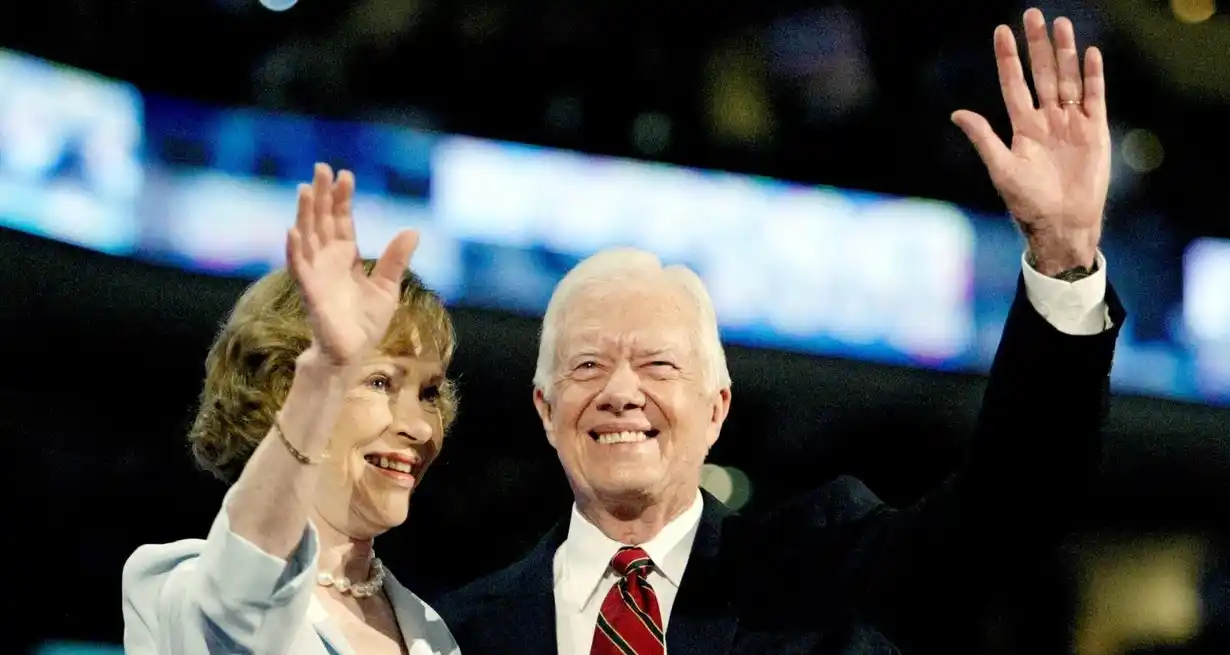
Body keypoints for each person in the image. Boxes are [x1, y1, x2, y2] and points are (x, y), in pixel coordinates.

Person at [433, 8, 1124, 655]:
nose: (621, 392)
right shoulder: (452, 631)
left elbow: (1011, 510)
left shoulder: (820, 572)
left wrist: (1062, 260)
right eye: (586, 365)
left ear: (716, 408)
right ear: (545, 408)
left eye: (658, 365)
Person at [122, 164, 461, 655]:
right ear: (285, 390)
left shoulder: (433, 633)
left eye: (429, 394)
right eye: (381, 381)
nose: (416, 428)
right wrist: (328, 368)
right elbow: (238, 601)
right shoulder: (179, 588)